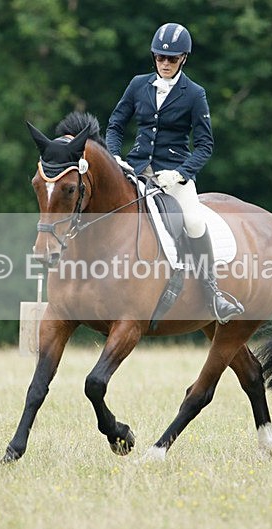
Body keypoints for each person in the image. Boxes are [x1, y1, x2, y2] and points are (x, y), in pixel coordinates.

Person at [106, 22, 243, 323]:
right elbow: (115, 125)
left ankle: (213, 293)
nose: (165, 64)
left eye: (172, 59)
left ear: (183, 59)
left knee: (193, 221)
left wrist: (181, 173)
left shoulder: (194, 94)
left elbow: (205, 145)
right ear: (153, 57)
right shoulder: (138, 85)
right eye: (159, 58)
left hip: (175, 176)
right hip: (137, 169)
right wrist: (115, 155)